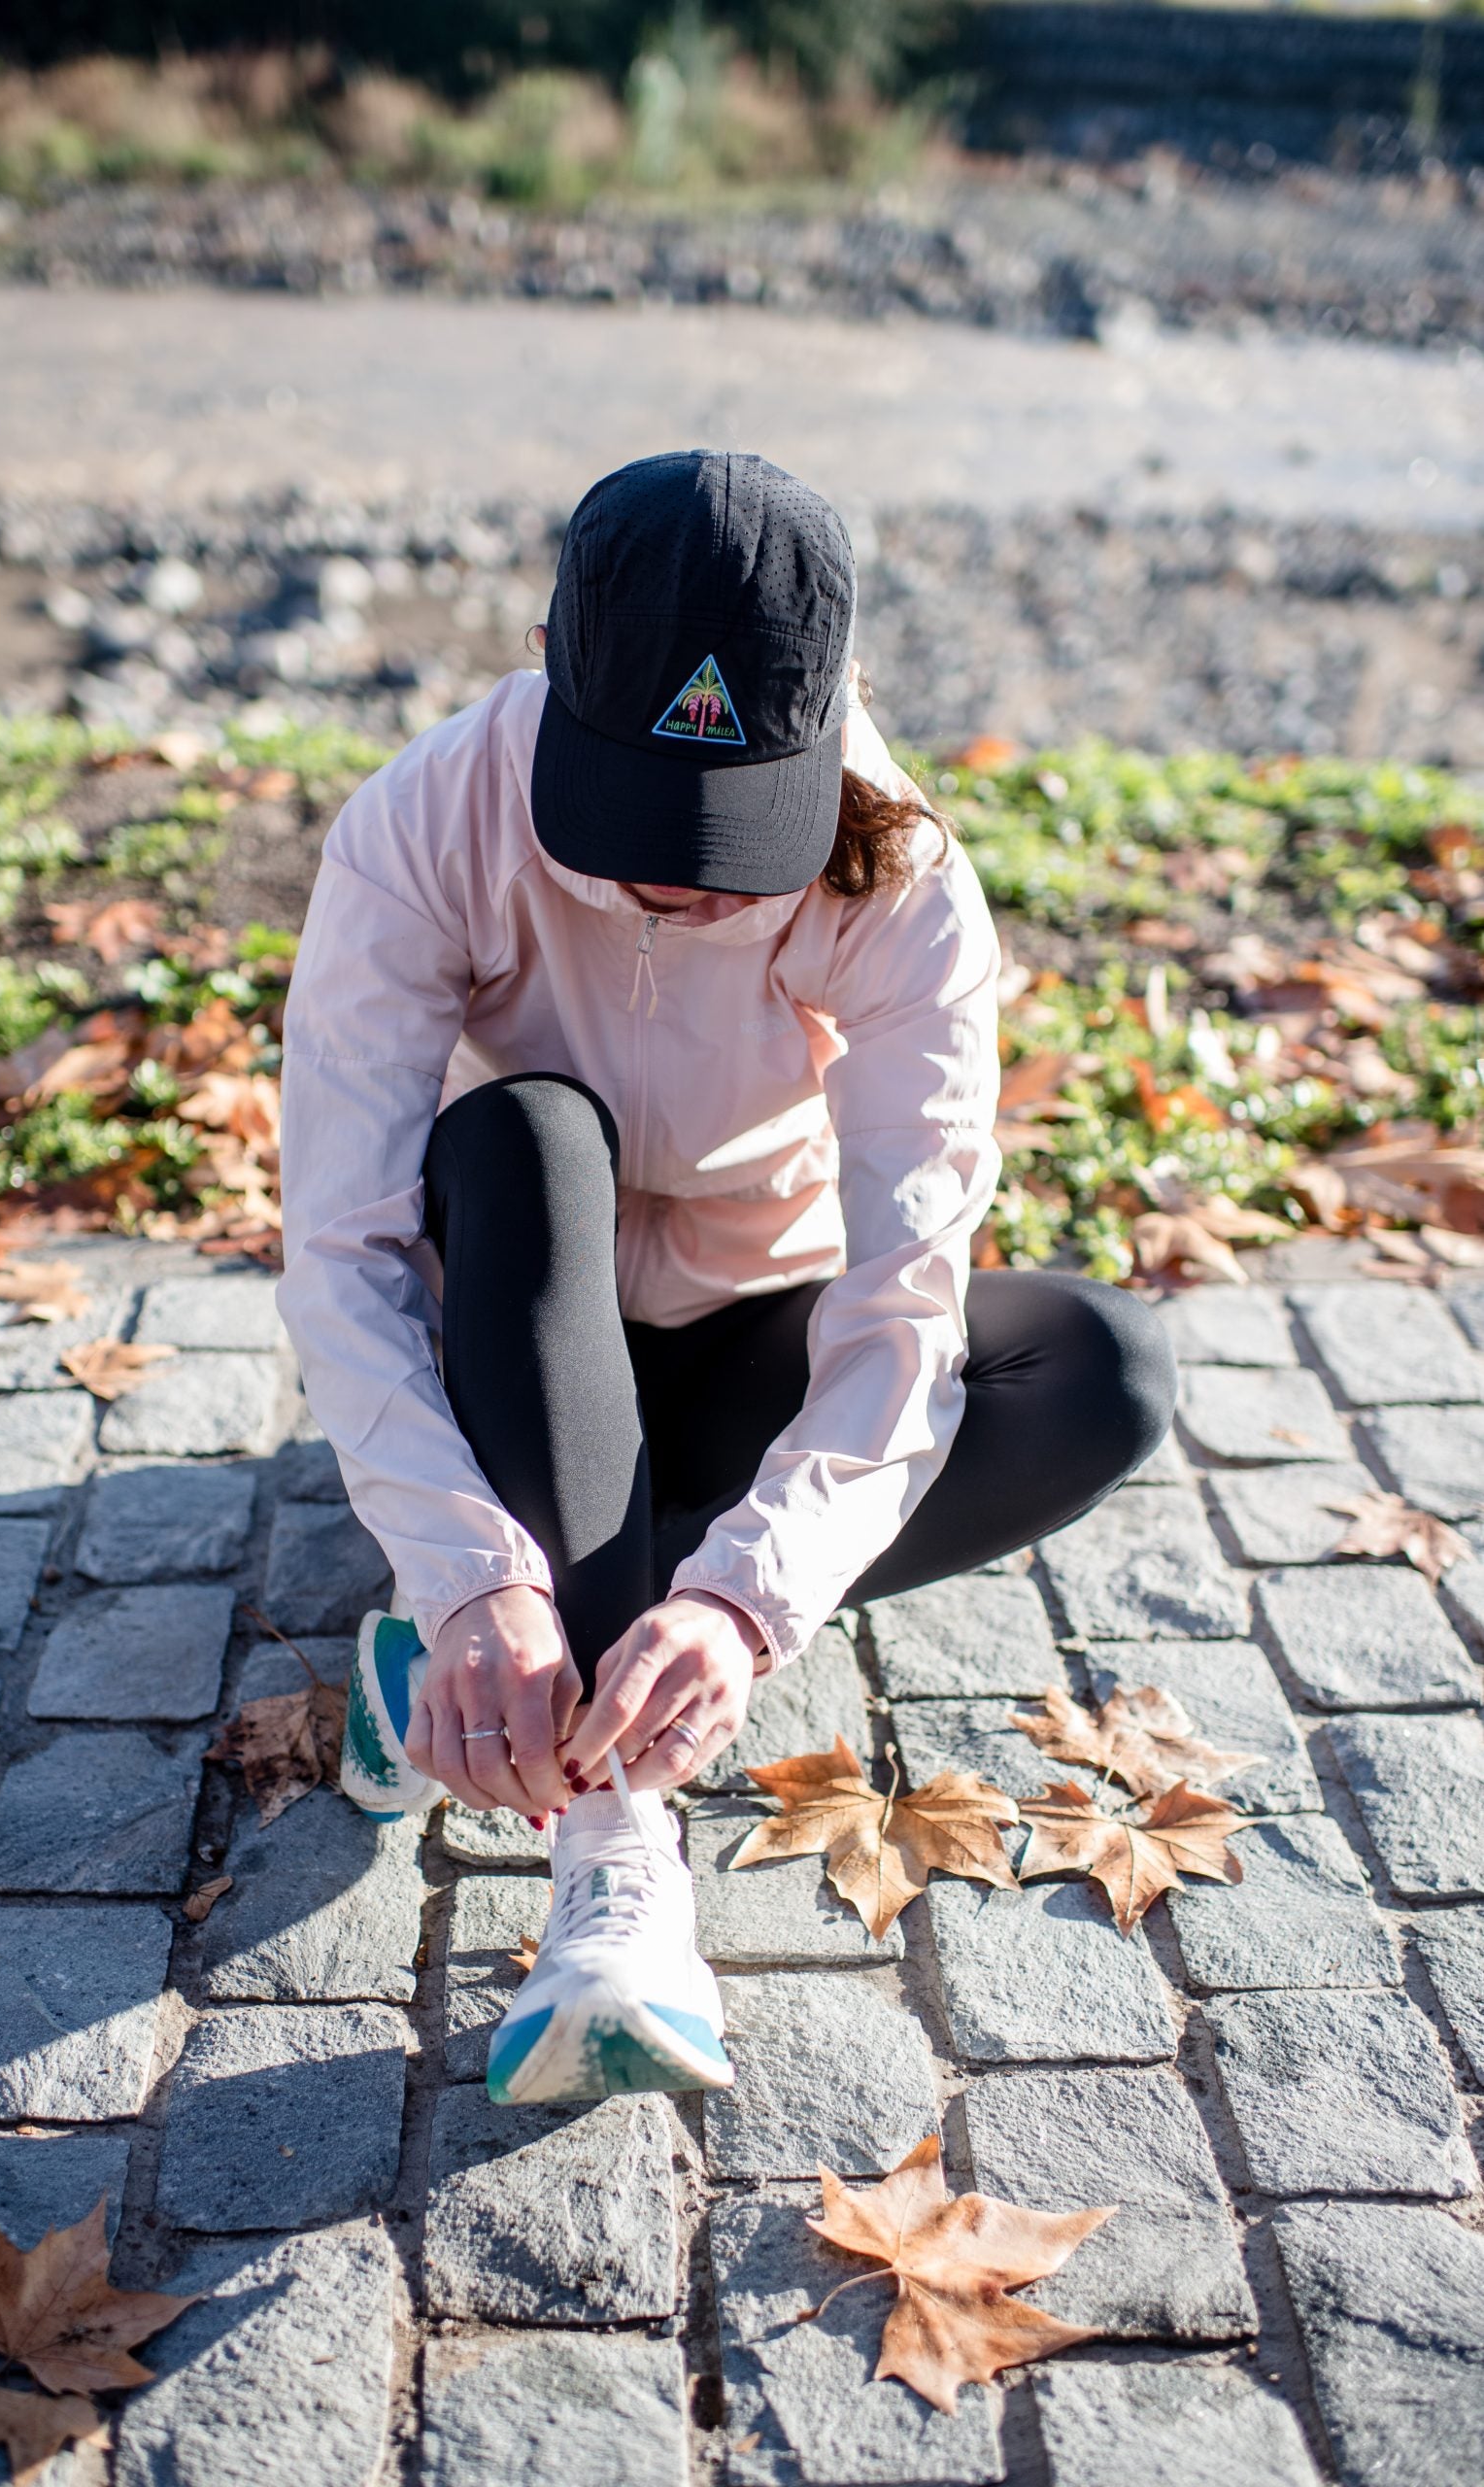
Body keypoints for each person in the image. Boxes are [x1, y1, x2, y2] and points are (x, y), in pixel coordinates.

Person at [279, 449, 1175, 2107]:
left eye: (728, 830)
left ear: (827, 714)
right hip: (520, 1330)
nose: (678, 879)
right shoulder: (424, 818)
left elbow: (903, 1296)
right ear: (547, 669)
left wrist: (740, 1602)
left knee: (1101, 1367)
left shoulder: (904, 875)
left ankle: (522, 1650)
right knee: (526, 1133)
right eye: (635, 820)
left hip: (754, 1333)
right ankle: (615, 1861)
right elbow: (339, 1245)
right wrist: (470, 1566)